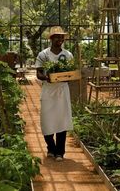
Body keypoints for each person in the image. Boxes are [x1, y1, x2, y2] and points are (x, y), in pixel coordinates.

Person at [35, 26, 73, 162]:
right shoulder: (43, 55)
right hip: (48, 91)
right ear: (51, 39)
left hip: (62, 91)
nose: (60, 39)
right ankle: (51, 147)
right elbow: (38, 73)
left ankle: (60, 152)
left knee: (61, 121)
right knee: (47, 120)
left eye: (62, 37)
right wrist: (47, 78)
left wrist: (68, 76)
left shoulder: (68, 55)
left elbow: (70, 73)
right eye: (57, 37)